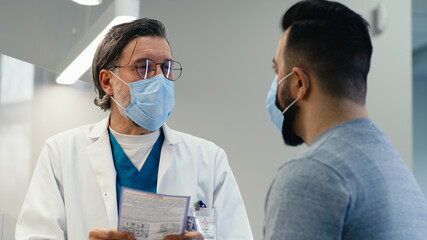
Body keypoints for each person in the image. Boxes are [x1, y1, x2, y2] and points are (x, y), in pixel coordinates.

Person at [16, 18, 253, 240]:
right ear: (107, 81)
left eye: (166, 67)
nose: (160, 78)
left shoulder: (209, 160)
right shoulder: (61, 153)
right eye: (144, 67)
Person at [264, 0, 427, 239]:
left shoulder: (310, 174)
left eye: (277, 71)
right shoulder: (397, 171)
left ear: (299, 82)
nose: (275, 84)